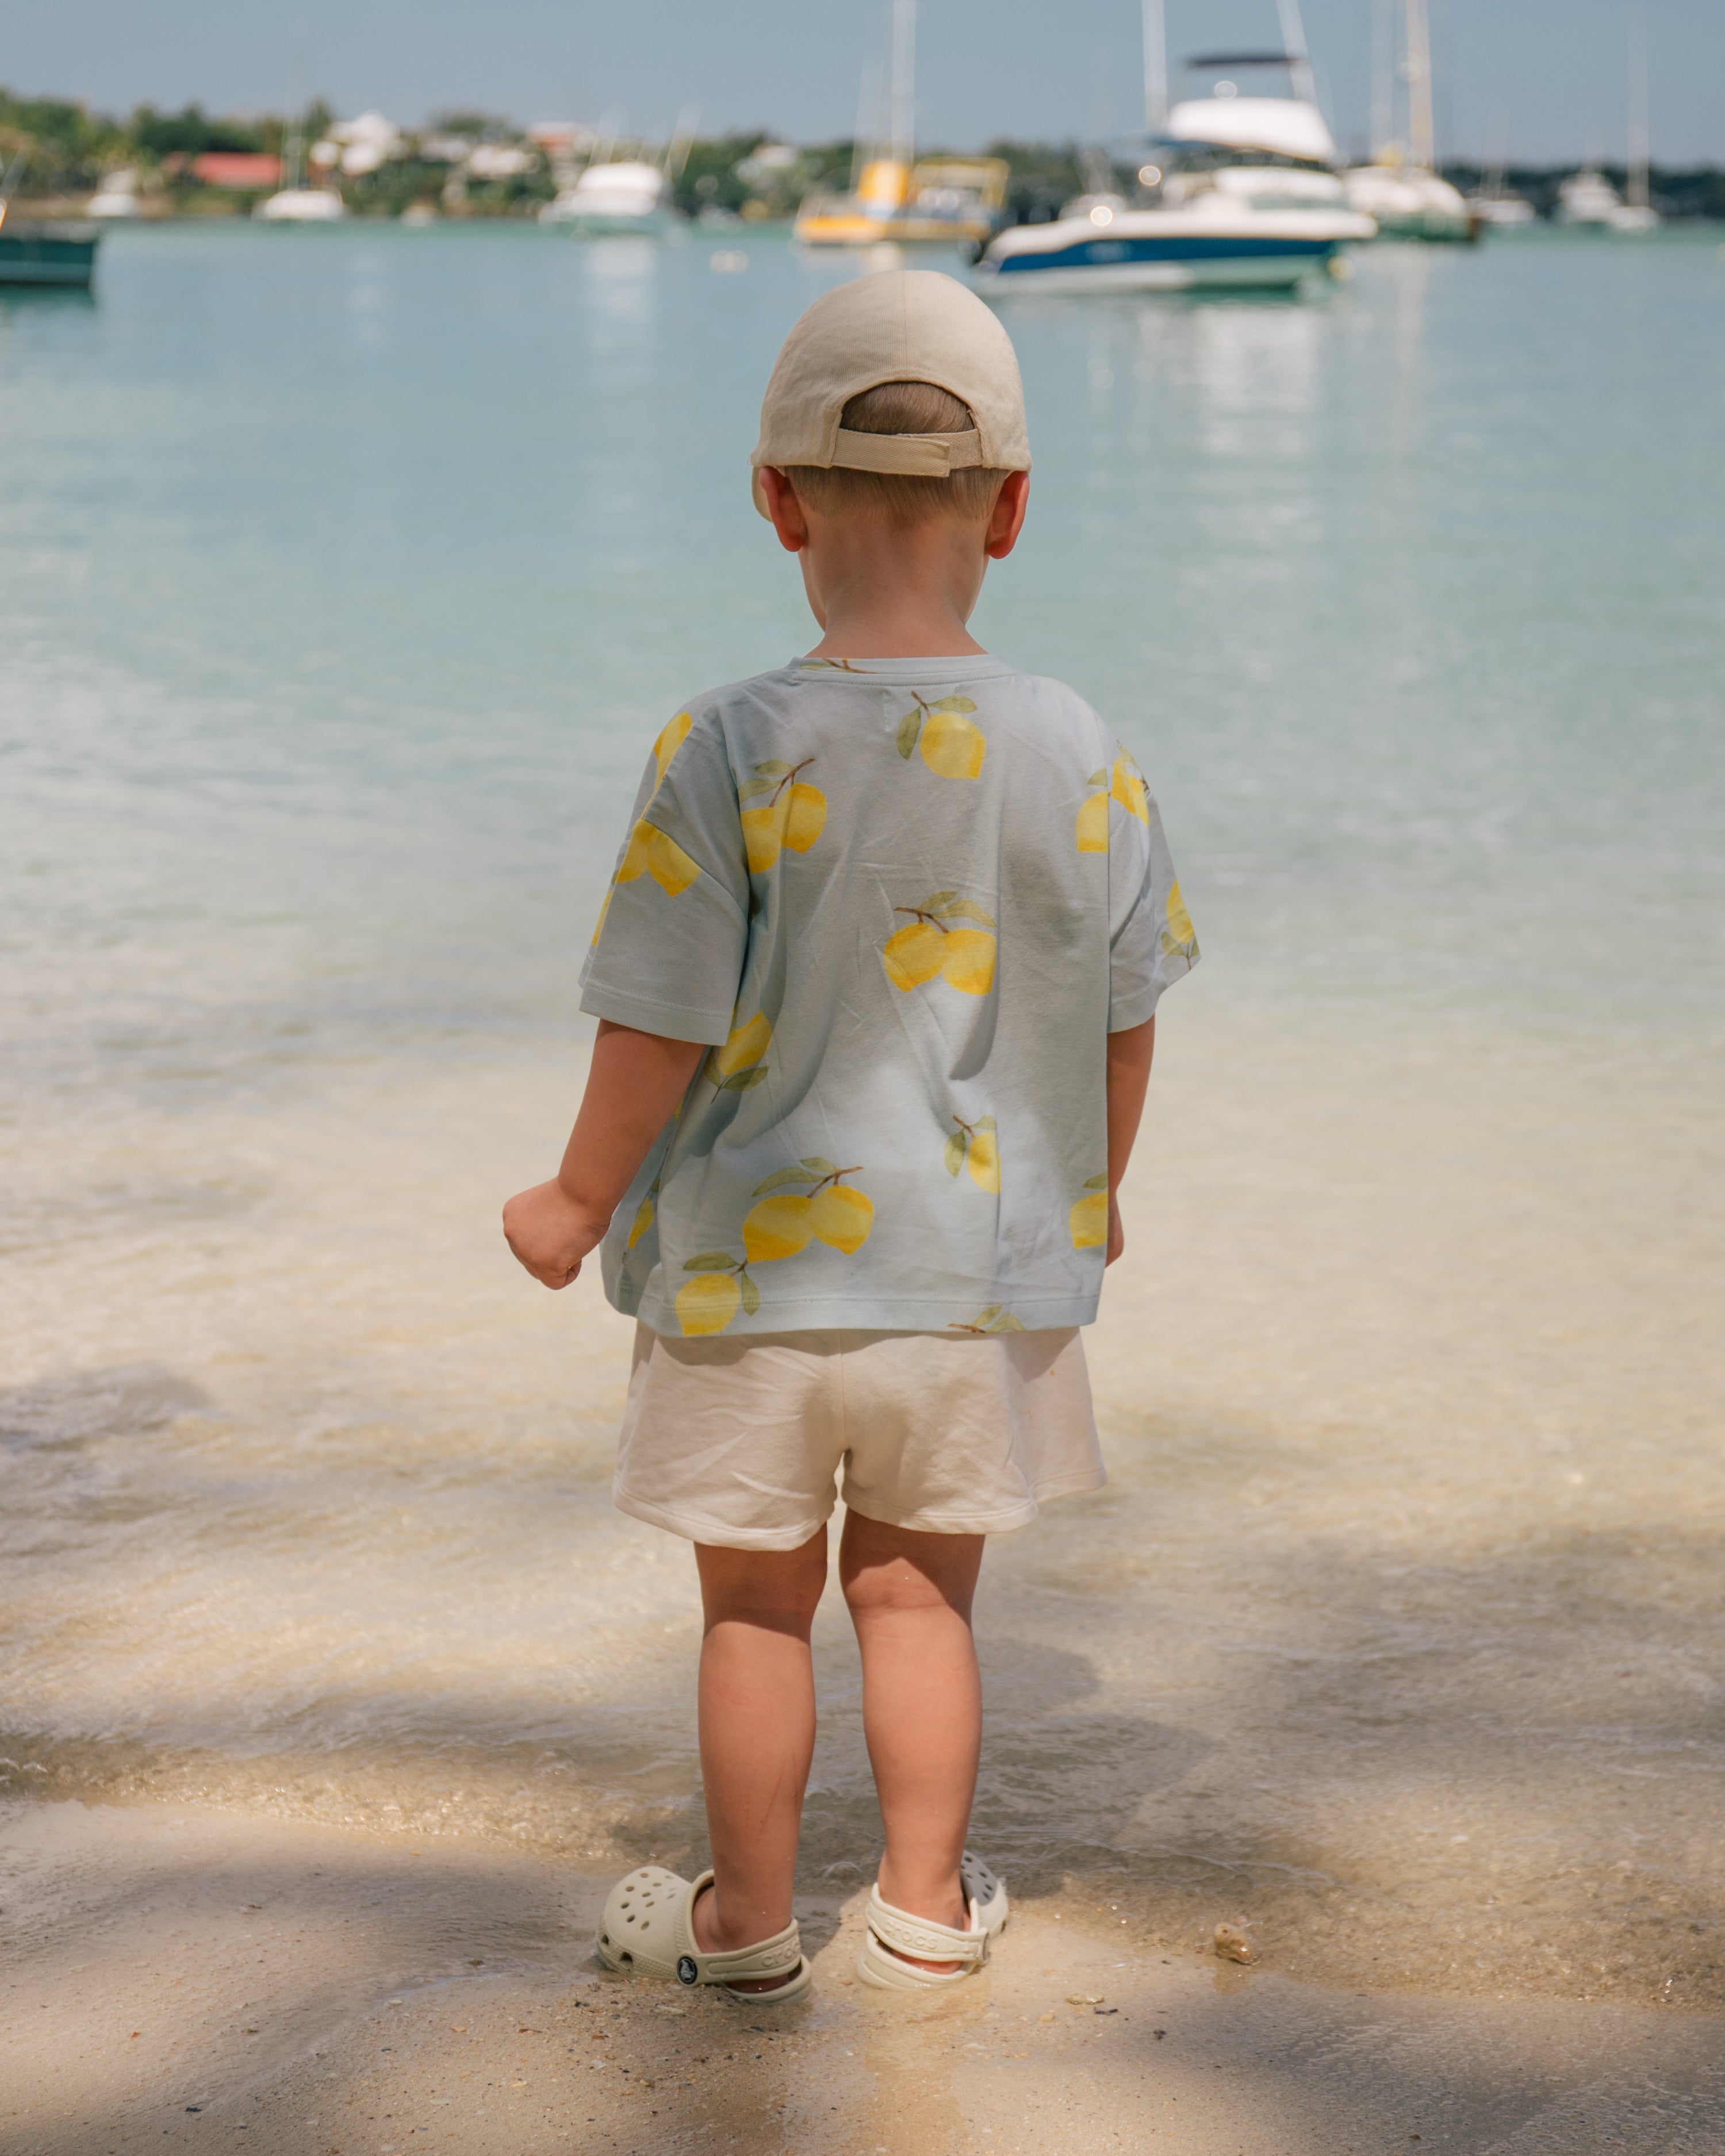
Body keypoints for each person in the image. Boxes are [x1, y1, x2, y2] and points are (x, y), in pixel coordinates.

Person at [503, 270, 1197, 2002]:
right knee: (917, 1604)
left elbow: (656, 1013)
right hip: (966, 1291)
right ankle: (926, 1906)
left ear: (774, 496)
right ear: (1014, 511)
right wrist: (1095, 1205)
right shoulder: (1078, 747)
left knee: (753, 1612)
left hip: (749, 1289)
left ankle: (744, 1928)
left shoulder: (728, 743)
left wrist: (579, 1193)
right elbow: (1126, 1012)